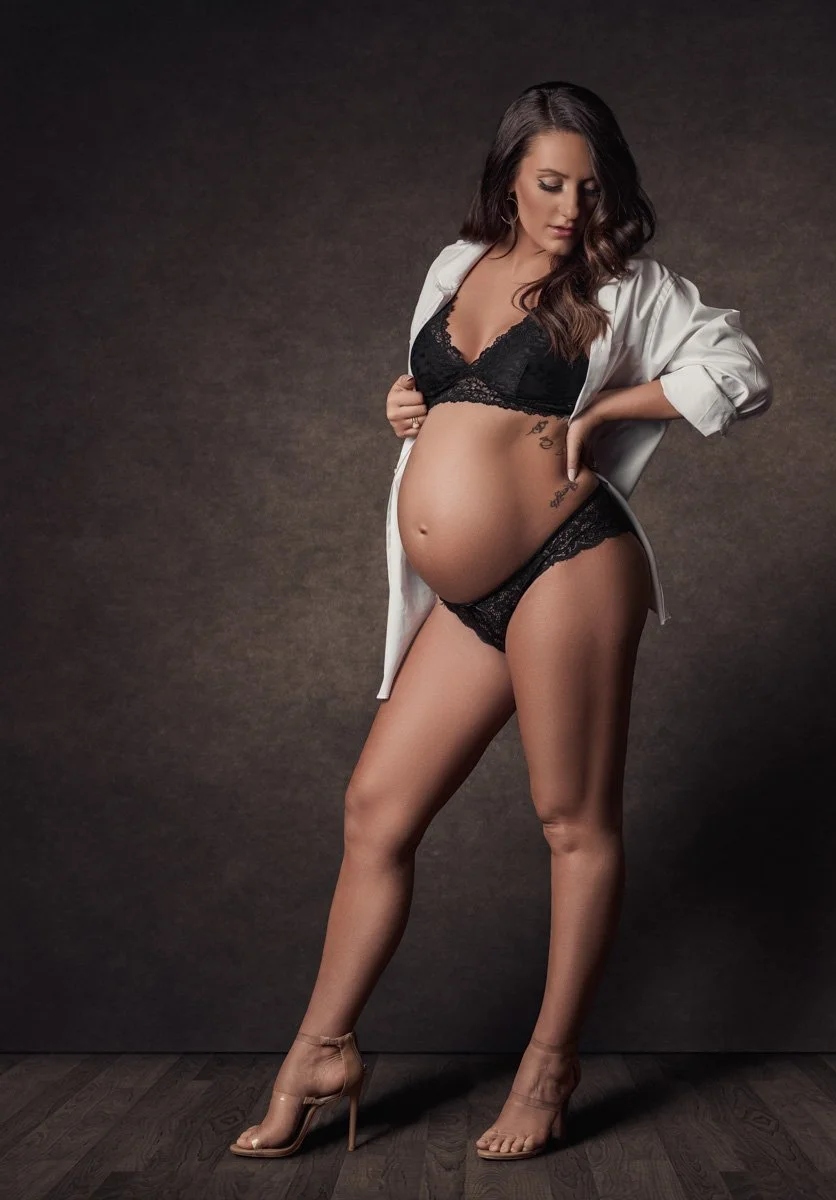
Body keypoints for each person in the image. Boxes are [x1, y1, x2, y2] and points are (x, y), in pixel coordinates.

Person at [230, 80, 771, 1164]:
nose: (570, 207)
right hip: (466, 597)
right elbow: (448, 397)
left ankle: (550, 1066)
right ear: (510, 180)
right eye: (549, 183)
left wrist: (614, 406)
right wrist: (406, 401)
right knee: (377, 807)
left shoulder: (629, 283)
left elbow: (742, 373)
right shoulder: (455, 264)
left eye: (589, 185)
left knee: (570, 820)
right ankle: (322, 1051)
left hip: (570, 564)